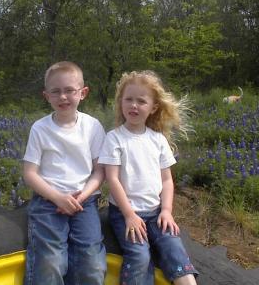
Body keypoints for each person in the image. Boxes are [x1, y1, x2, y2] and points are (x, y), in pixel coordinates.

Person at [98, 70, 198, 285]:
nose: (134, 105)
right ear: (121, 103)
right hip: (124, 212)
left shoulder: (158, 140)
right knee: (140, 255)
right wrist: (129, 215)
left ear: (153, 108)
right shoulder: (114, 138)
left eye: (141, 101)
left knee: (174, 248)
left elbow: (167, 181)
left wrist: (167, 211)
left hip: (155, 212)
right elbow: (112, 179)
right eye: (129, 99)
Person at [23, 61, 107, 285]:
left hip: (84, 201)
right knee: (51, 260)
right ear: (46, 95)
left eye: (69, 90)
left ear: (83, 93)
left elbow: (100, 171)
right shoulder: (40, 128)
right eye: (56, 91)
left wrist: (82, 196)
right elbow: (30, 173)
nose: (63, 97)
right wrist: (57, 197)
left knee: (92, 262)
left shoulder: (93, 126)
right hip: (48, 201)